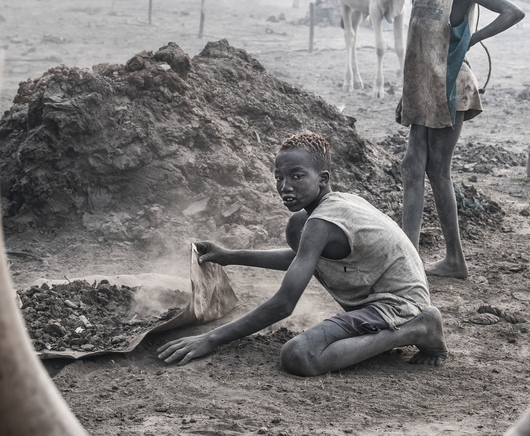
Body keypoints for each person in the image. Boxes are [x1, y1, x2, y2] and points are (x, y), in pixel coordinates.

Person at [158, 132, 448, 376]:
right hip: (381, 297)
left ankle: (417, 328)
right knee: (296, 227)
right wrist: (230, 255)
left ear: (322, 178)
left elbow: (284, 304)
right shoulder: (327, 210)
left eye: (297, 176)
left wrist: (211, 339)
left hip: (398, 304)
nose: (285, 187)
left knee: (299, 355)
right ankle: (403, 325)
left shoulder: (323, 222)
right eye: (279, 177)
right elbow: (300, 260)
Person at [397, 0, 525, 279]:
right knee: (411, 167)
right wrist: (407, 95)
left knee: (437, 170)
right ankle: (408, 256)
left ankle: (453, 260)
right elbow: (418, 46)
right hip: (423, 88)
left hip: (451, 89)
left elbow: (512, 12)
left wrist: (473, 38)